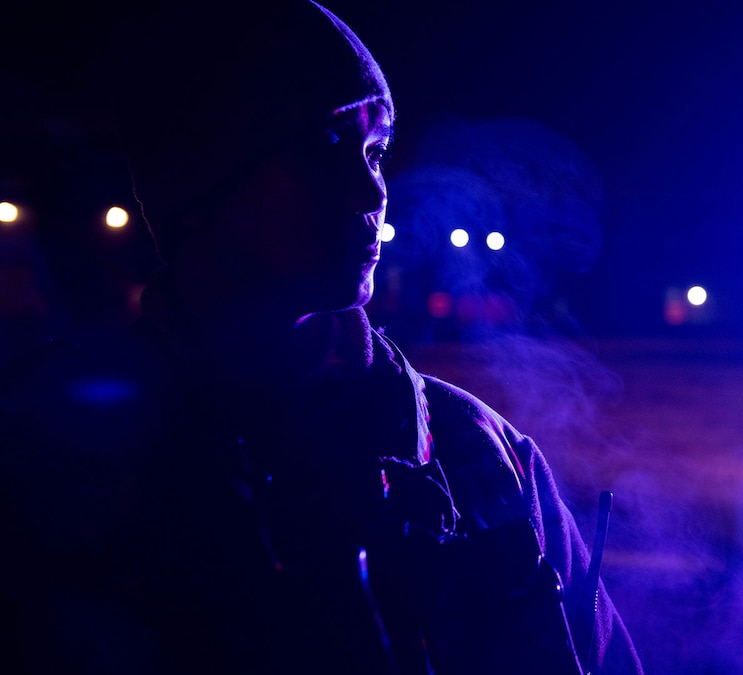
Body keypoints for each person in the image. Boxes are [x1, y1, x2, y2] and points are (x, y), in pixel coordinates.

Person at [0, 2, 641, 673]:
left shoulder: (477, 454)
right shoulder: (45, 450)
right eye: (328, 146)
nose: (371, 190)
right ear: (204, 185)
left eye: (377, 150)